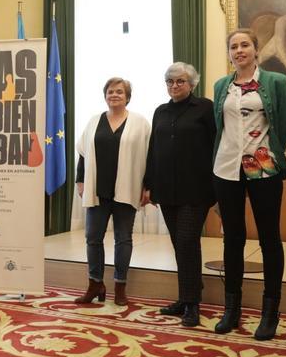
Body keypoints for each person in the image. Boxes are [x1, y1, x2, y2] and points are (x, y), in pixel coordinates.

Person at [212, 29, 286, 340]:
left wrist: (268, 152)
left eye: (245, 44)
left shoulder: (276, 82)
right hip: (226, 167)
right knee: (232, 238)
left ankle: (270, 312)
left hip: (263, 166)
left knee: (270, 238)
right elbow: (221, 127)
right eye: (234, 46)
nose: (240, 50)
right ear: (229, 53)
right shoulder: (222, 85)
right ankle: (232, 309)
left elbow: (283, 125)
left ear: (256, 50)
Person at [142, 63, 215, 326]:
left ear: (192, 83)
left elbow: (216, 147)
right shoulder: (160, 111)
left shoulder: (205, 108)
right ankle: (187, 296)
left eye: (180, 81)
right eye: (170, 81)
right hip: (166, 189)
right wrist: (148, 185)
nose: (175, 86)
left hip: (196, 189)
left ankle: (193, 303)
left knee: (187, 241)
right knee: (179, 244)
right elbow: (153, 150)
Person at [75, 78, 150, 306]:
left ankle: (120, 287)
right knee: (92, 239)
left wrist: (148, 186)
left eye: (119, 91)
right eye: (110, 91)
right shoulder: (94, 121)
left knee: (123, 239)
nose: (114, 95)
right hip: (98, 190)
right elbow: (83, 153)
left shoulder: (140, 123)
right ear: (105, 95)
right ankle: (95, 283)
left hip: (127, 189)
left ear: (127, 96)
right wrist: (80, 181)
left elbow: (149, 157)